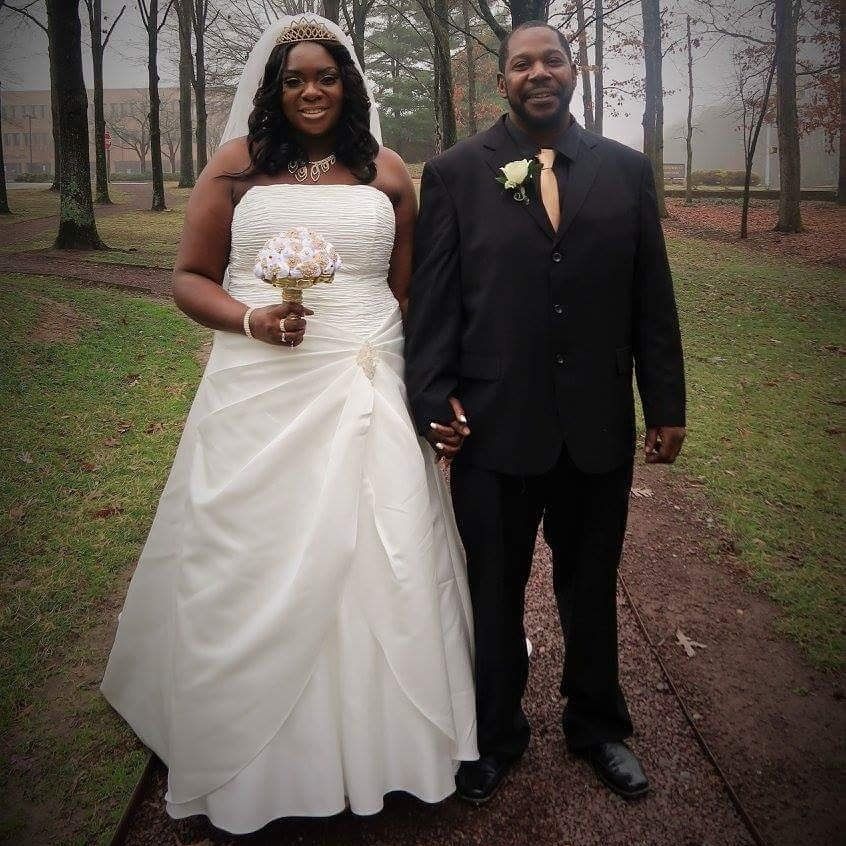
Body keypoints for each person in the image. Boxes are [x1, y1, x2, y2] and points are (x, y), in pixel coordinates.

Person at [100, 15, 477, 834]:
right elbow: (189, 277)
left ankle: (392, 744)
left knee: (385, 546)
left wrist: (429, 388)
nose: (312, 91)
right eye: (295, 79)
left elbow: (408, 294)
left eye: (326, 77)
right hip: (263, 380)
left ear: (349, 86)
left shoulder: (386, 171)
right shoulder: (235, 165)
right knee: (253, 549)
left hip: (367, 372)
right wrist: (251, 319)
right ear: (274, 90)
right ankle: (247, 744)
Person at [405, 21, 686, 804]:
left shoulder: (626, 172)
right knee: (493, 590)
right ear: (501, 80)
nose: (539, 72)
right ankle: (495, 734)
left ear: (573, 71)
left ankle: (597, 725)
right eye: (522, 63)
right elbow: (434, 303)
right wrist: (432, 399)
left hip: (597, 424)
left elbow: (651, 296)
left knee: (590, 586)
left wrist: (665, 403)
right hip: (494, 425)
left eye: (552, 60)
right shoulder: (455, 173)